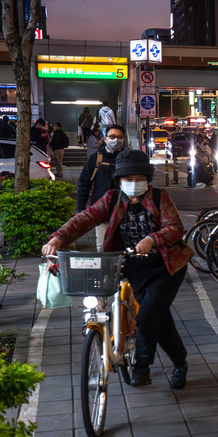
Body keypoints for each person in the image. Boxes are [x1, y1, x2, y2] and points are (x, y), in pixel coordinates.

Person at [42, 150, 193, 389]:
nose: (134, 184)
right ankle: (180, 362)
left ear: (147, 178)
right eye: (128, 179)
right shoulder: (112, 199)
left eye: (139, 178)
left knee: (148, 315)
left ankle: (142, 366)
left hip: (165, 267)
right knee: (157, 318)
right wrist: (58, 239)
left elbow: (175, 227)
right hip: (131, 266)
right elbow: (84, 218)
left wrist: (153, 239)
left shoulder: (160, 198)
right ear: (119, 180)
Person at [77, 125, 125, 251]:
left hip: (125, 210)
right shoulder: (96, 158)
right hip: (102, 210)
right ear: (105, 138)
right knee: (103, 245)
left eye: (119, 137)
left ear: (124, 139)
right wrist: (81, 207)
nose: (116, 139)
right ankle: (105, 269)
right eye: (112, 136)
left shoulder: (128, 158)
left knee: (124, 245)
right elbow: (84, 183)